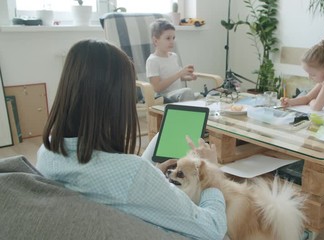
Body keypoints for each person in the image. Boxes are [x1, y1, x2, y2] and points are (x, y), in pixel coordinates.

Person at [36, 39, 227, 240]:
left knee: (161, 137)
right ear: (116, 103)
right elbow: (212, 229)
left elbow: (121, 178)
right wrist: (212, 172)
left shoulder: (47, 152)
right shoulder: (132, 174)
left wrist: (151, 174)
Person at [146, 18, 197, 103]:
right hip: (163, 97)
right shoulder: (152, 61)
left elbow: (176, 78)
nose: (172, 41)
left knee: (206, 96)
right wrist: (179, 73)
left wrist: (187, 77)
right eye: (168, 38)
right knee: (187, 92)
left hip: (177, 94)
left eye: (173, 38)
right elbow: (157, 88)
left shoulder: (173, 56)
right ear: (155, 40)